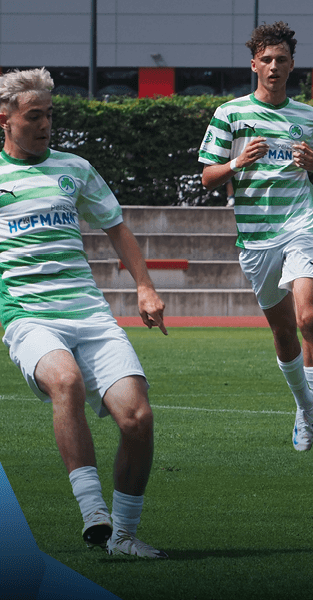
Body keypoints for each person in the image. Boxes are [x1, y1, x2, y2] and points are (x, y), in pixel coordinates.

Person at [0, 68, 168, 558]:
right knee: (66, 381)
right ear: (4, 120)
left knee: (137, 419)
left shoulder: (75, 167)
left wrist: (144, 288)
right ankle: (93, 510)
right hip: (28, 314)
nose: (46, 124)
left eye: (50, 115)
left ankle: (124, 536)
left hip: (90, 314)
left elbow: (116, 228)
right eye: (35, 116)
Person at [198, 21, 313, 457]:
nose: (274, 66)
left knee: (308, 319)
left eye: (281, 59)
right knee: (284, 332)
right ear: (254, 65)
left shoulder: (308, 116)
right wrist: (238, 162)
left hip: (302, 225)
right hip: (256, 238)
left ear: (292, 65)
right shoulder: (230, 113)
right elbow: (207, 176)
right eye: (266, 59)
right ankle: (303, 409)